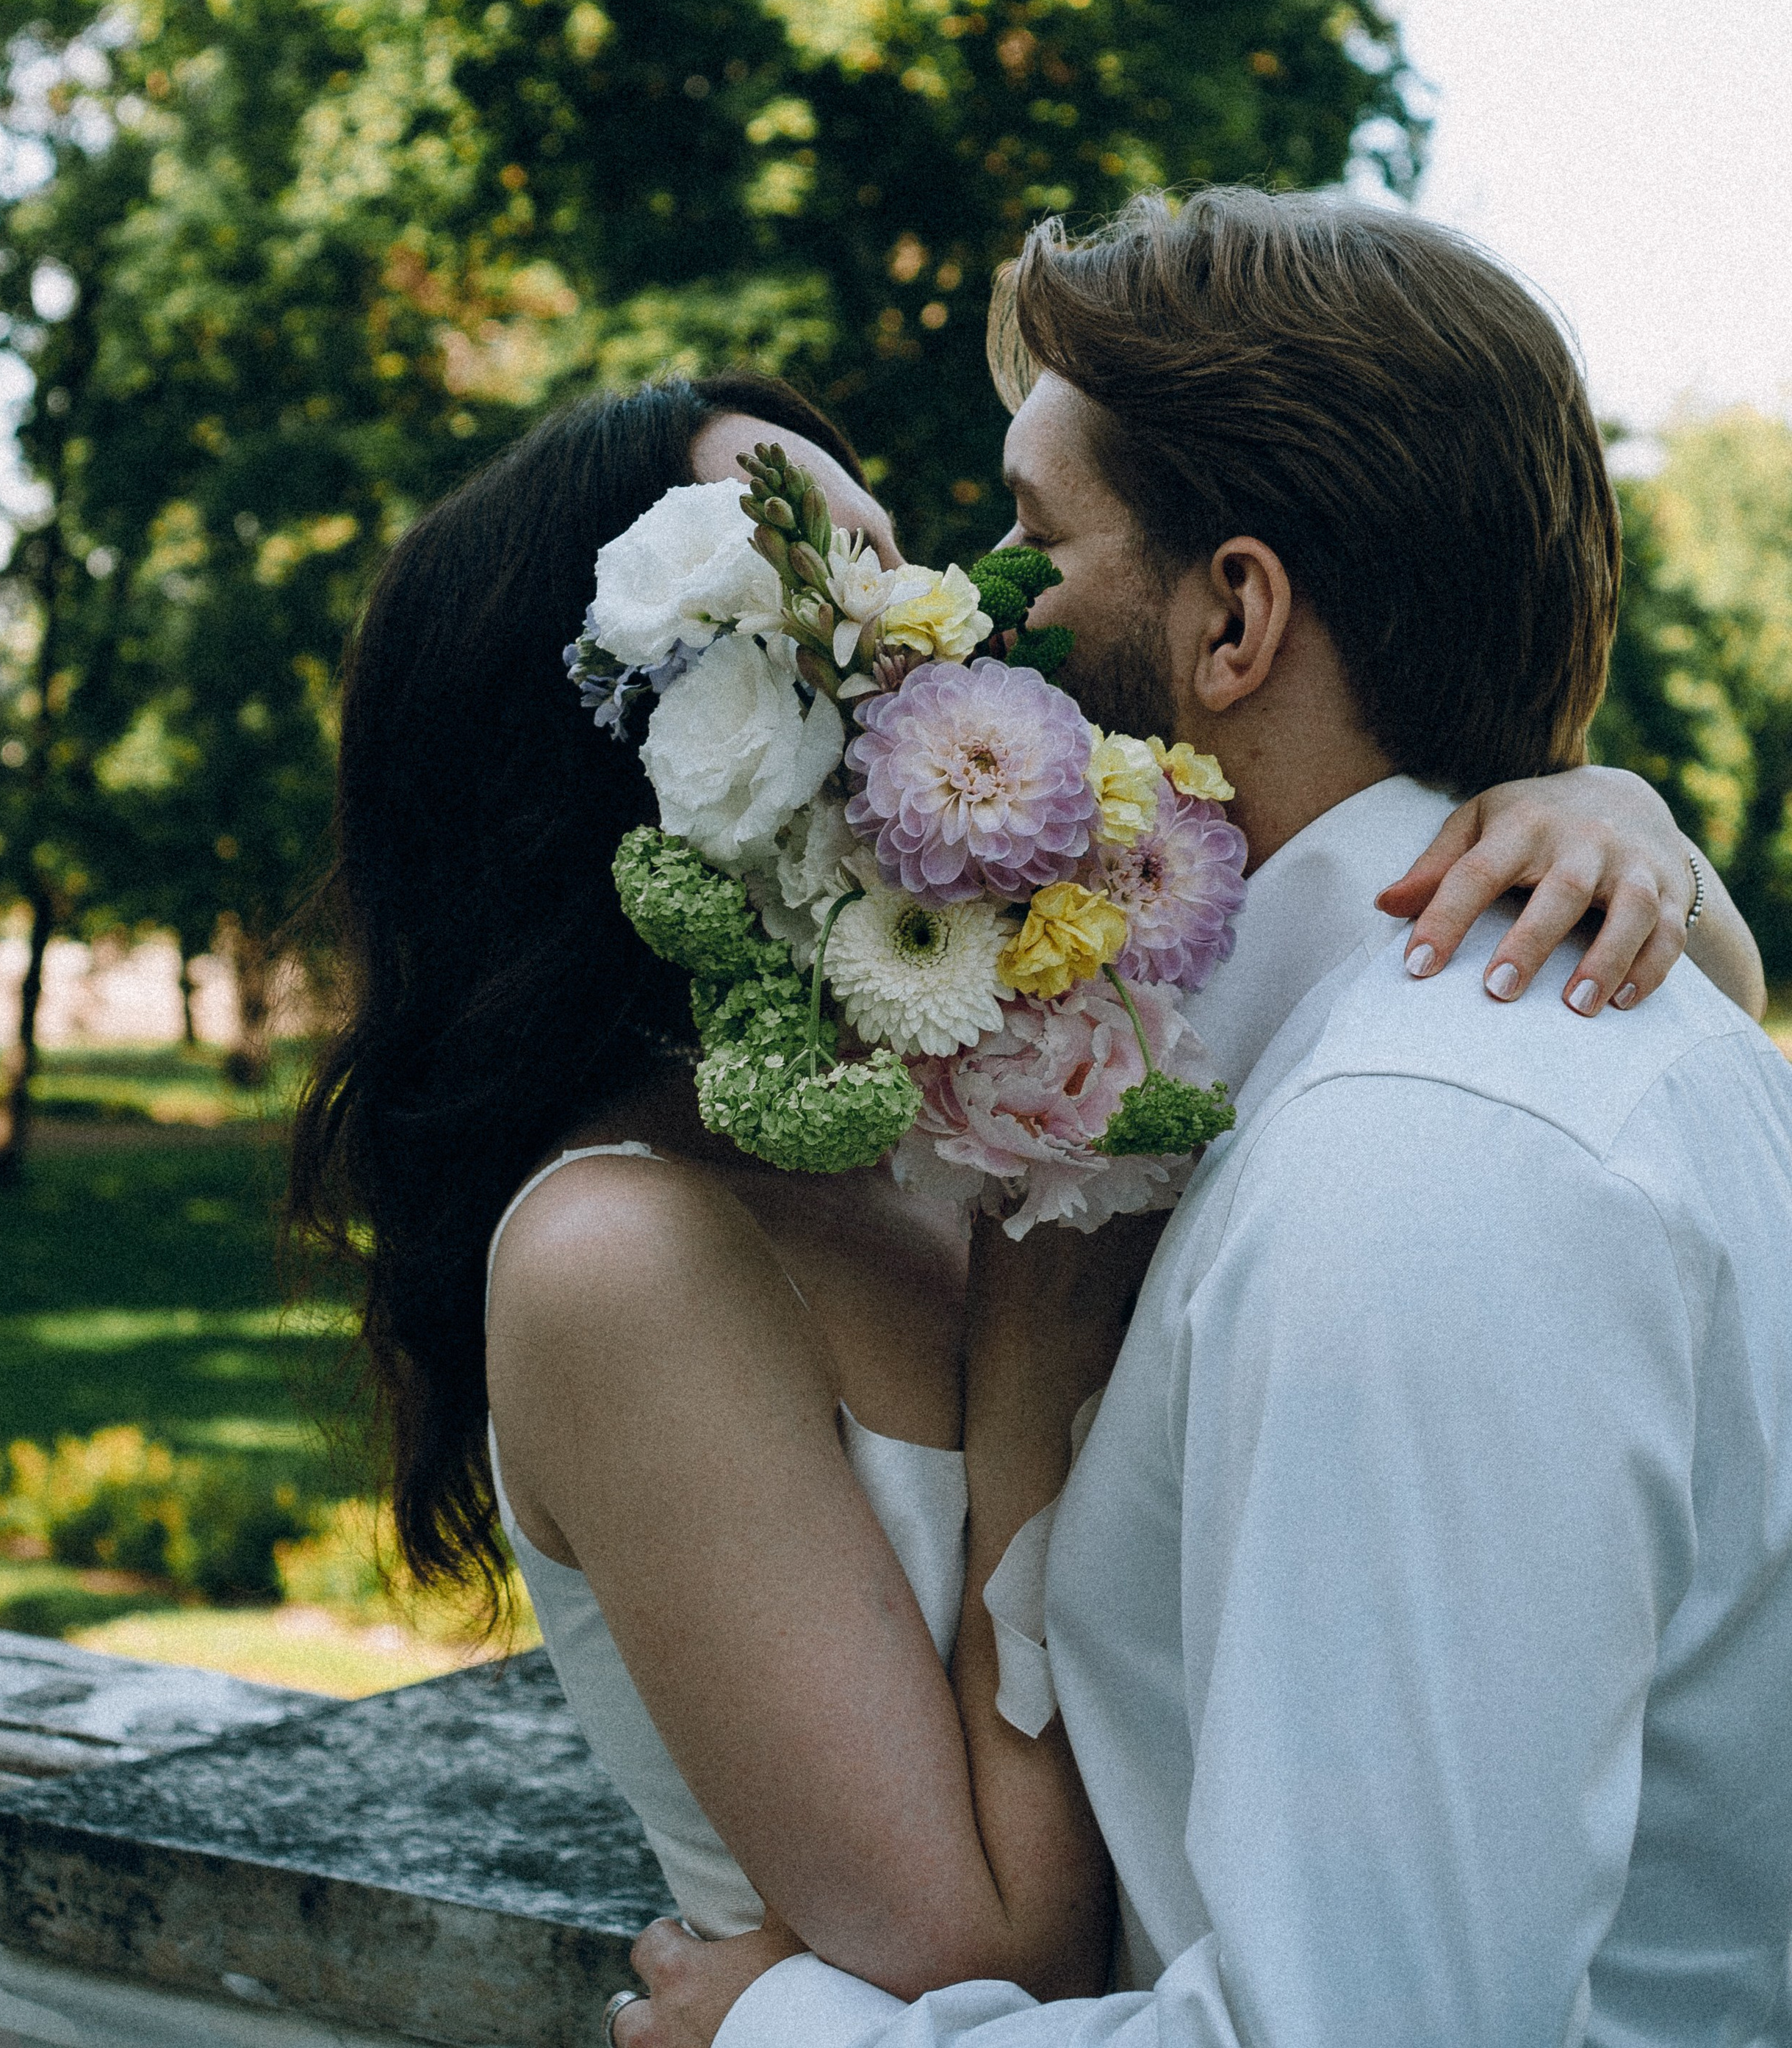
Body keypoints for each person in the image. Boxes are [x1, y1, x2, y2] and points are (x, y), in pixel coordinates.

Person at [286, 345, 1763, 2020]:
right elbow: (988, 1959)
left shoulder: (974, 1082)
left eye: (898, 558)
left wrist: (1596, 811)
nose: (942, 624)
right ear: (637, 730)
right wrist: (1022, 1393)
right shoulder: (616, 1256)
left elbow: (1585, 1050)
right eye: (832, 594)